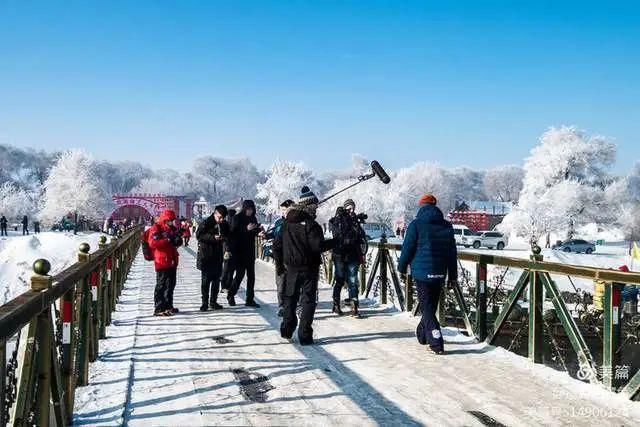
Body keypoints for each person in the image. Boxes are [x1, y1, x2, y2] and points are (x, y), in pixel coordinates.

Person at [397, 194, 457, 355]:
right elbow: (452, 253)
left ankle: (436, 342)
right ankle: (422, 335)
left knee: (427, 308)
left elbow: (407, 249)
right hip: (439, 272)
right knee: (430, 306)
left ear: (421, 206)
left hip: (422, 273)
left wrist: (401, 267)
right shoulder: (447, 226)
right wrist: (453, 276)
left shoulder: (416, 225)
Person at [272, 186, 333, 345]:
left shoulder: (287, 223)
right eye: (315, 207)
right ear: (310, 206)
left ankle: (287, 329)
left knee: (290, 299)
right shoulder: (312, 225)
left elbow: (276, 245)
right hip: (309, 269)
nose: (317, 210)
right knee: (307, 301)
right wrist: (335, 242)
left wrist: (279, 265)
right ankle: (305, 336)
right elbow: (318, 246)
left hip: (290, 268)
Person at [329, 199, 367, 317]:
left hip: (353, 255)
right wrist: (340, 217)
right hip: (340, 255)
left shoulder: (355, 220)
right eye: (349, 208)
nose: (351, 210)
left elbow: (361, 236)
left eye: (353, 208)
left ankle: (354, 306)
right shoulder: (338, 219)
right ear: (345, 208)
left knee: (352, 280)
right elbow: (336, 233)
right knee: (339, 279)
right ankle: (336, 304)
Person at [227, 200, 263, 307]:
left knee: (251, 276)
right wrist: (245, 229)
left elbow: (253, 232)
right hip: (239, 251)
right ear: (244, 209)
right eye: (248, 209)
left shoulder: (253, 218)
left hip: (250, 251)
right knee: (240, 275)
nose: (250, 212)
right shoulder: (237, 218)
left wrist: (258, 231)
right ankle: (231, 294)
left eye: (251, 210)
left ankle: (249, 299)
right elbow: (233, 232)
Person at [148, 209, 183, 316]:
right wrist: (167, 240)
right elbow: (152, 243)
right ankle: (159, 308)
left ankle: (168, 305)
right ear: (164, 219)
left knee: (171, 284)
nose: (171, 222)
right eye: (169, 220)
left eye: (172, 220)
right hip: (162, 260)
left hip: (172, 259)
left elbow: (175, 242)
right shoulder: (156, 228)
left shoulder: (172, 229)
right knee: (161, 284)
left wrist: (178, 240)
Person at [263, 199, 295, 317]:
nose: (283, 213)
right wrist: (265, 235)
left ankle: (292, 305)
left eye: (285, 210)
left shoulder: (294, 223)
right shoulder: (278, 223)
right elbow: (274, 235)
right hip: (280, 257)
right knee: (281, 283)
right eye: (282, 210)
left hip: (291, 257)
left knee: (291, 283)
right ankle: (281, 305)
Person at [196, 205, 230, 311]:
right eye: (219, 217)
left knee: (216, 281)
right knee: (205, 281)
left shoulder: (224, 224)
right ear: (215, 214)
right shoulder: (206, 223)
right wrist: (212, 237)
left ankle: (213, 301)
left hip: (217, 255)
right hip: (206, 256)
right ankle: (204, 303)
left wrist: (223, 238)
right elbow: (199, 235)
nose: (220, 219)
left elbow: (229, 235)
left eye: (222, 218)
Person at [220, 208, 236, 291]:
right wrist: (227, 249)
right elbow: (226, 238)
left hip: (227, 248)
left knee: (227, 267)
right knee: (229, 268)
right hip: (228, 249)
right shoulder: (230, 224)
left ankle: (225, 285)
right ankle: (225, 285)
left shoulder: (225, 224)